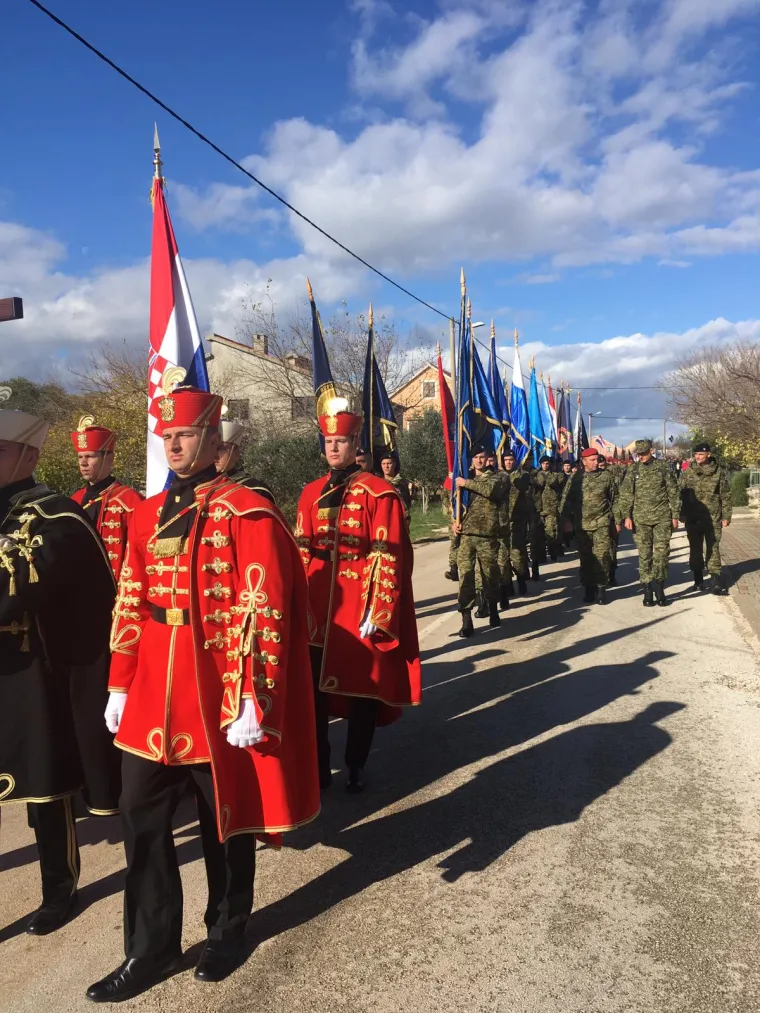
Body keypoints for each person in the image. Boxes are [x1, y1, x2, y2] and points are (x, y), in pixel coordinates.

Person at [87, 386, 320, 1003]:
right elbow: (130, 601)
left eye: (185, 435)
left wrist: (256, 696)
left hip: (214, 688)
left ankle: (227, 927)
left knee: (224, 820)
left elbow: (263, 607)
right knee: (141, 819)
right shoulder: (143, 515)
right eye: (167, 435)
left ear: (215, 440)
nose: (174, 443)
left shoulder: (246, 511)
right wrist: (118, 679)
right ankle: (150, 947)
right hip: (149, 697)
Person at [0, 408, 120, 936]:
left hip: (32, 677)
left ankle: (58, 887)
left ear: (29, 454)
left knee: (44, 788)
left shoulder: (52, 517)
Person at [295, 400, 421, 794]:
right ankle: (317, 765)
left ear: (355, 444)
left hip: (359, 598)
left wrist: (380, 608)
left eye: (341, 442)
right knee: (313, 690)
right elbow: (300, 547)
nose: (334, 448)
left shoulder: (379, 493)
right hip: (318, 602)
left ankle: (356, 763)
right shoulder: (310, 492)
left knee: (362, 689)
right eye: (329, 441)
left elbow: (391, 553)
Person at [70, 417, 143, 579]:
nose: (83, 463)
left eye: (89, 456)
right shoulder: (74, 499)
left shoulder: (130, 500)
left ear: (109, 458)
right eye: (80, 457)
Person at [616, 439, 680, 607]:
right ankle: (647, 589)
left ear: (651, 451)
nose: (642, 457)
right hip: (640, 519)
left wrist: (675, 515)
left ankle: (660, 587)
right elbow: (626, 494)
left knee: (661, 555)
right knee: (645, 556)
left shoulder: (664, 467)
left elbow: (673, 492)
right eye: (639, 454)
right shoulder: (633, 469)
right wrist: (627, 516)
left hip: (662, 518)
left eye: (644, 453)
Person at [453, 445, 508, 636]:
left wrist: (465, 483)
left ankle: (493, 608)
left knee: (490, 575)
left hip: (487, 535)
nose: (478, 460)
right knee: (466, 577)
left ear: (488, 459)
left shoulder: (499, 477)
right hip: (467, 536)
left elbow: (491, 490)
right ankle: (466, 620)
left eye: (482, 457)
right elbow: (454, 504)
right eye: (475, 457)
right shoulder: (463, 480)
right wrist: (454, 522)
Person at [560, 448, 618, 604]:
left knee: (603, 556)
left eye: (596, 459)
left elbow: (615, 499)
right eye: (591, 460)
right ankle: (588, 588)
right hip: (582, 525)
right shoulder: (575, 478)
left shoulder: (606, 476)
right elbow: (566, 500)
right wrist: (566, 520)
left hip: (602, 523)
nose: (595, 462)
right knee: (586, 559)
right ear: (583, 461)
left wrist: (617, 520)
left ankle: (601, 588)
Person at [680, 441, 732, 594]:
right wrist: (681, 514)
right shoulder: (688, 471)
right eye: (696, 454)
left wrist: (726, 516)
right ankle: (698, 580)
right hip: (693, 518)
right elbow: (681, 494)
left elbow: (725, 495)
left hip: (713, 517)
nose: (698, 457)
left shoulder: (718, 472)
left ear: (709, 454)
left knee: (713, 548)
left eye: (701, 454)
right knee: (695, 550)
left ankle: (715, 580)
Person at [215, 418, 274, 501]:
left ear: (236, 453)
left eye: (221, 448)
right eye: (212, 447)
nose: (215, 454)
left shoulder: (255, 490)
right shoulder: (197, 488)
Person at [502, 450, 531, 593]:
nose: (508, 462)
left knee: (516, 553)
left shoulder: (522, 475)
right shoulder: (498, 476)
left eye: (511, 459)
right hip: (501, 523)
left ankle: (521, 578)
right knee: (502, 556)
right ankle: (507, 585)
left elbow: (524, 485)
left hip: (517, 521)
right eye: (506, 459)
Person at [533, 455, 564, 562]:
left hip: (551, 509)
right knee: (540, 535)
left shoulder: (556, 475)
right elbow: (538, 484)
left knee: (551, 532)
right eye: (543, 464)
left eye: (547, 463)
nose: (545, 466)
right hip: (539, 509)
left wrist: (547, 474)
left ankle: (552, 551)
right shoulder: (536, 475)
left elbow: (552, 482)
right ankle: (542, 556)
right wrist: (538, 474)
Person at [378, 448, 412, 523]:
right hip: (382, 519)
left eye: (389, 463)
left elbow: (407, 503)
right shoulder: (378, 483)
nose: (386, 466)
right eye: (383, 464)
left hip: (399, 519)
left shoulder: (402, 483)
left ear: (394, 464)